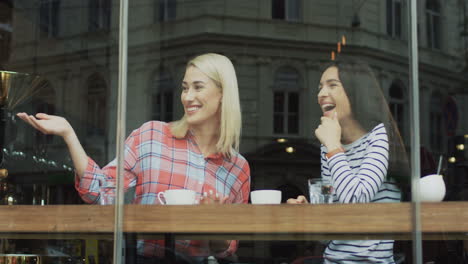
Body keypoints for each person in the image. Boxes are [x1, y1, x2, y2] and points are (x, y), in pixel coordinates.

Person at [17, 53, 251, 263]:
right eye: (184, 88)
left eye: (198, 87)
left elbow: (227, 248)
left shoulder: (238, 167)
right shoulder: (152, 136)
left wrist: (213, 223)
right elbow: (98, 191)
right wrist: (69, 134)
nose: (187, 97)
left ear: (223, 94)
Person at [287, 60, 409, 264]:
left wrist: (333, 146)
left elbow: (355, 201)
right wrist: (309, 213)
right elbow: (328, 233)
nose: (321, 94)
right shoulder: (329, 146)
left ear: (355, 92)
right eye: (320, 87)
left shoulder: (378, 136)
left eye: (332, 85)